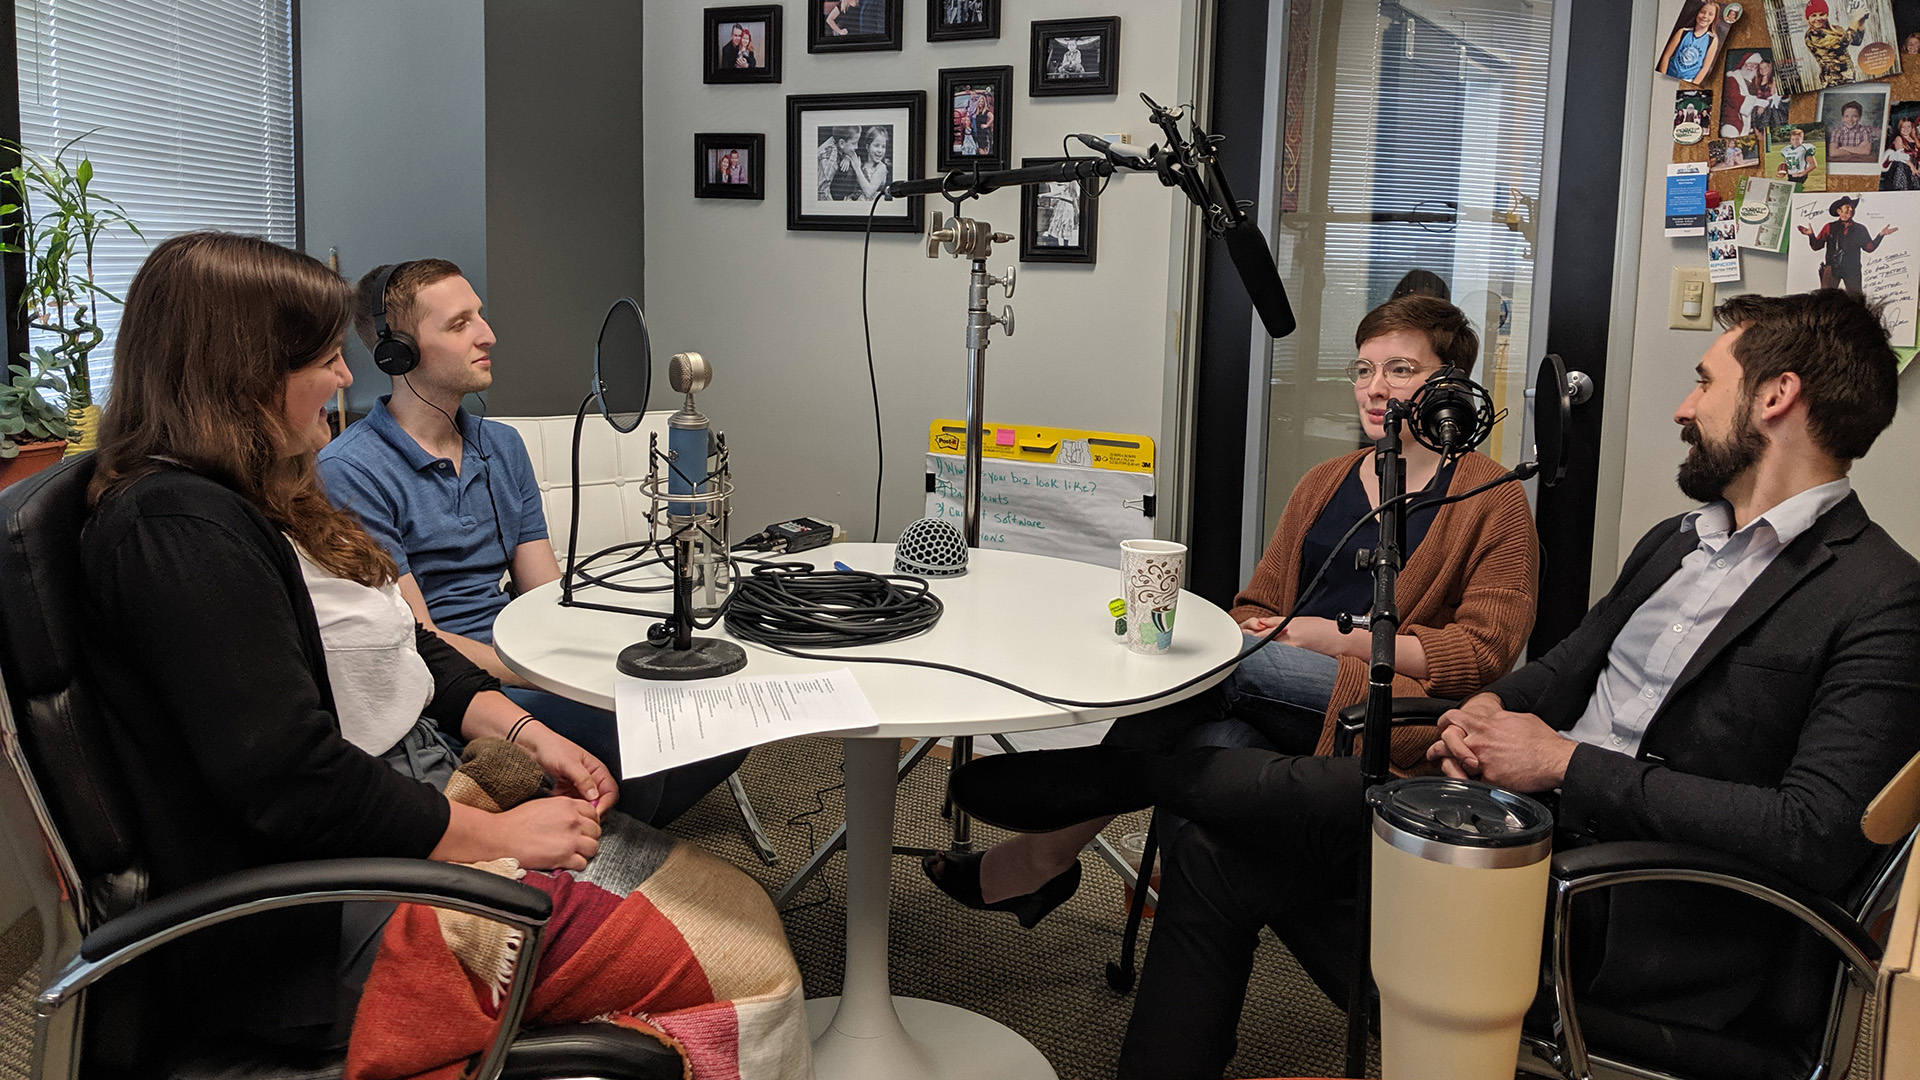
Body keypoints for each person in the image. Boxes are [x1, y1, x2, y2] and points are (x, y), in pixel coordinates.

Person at [951, 288, 1920, 1079]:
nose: (1680, 405)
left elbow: (1817, 834)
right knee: (1214, 844)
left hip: (1626, 901)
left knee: (1220, 774)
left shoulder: (1880, 595)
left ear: (1776, 396)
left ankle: (1112, 784)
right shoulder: (1679, 545)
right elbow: (1558, 669)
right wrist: (1495, 712)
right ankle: (1130, 810)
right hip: (1506, 823)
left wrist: (1562, 761)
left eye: (1704, 381)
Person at [80, 232, 807, 1067]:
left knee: (731, 894)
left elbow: (409, 649)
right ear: (243, 371)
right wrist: (491, 834)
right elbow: (293, 783)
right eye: (324, 356)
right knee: (751, 959)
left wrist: (530, 738)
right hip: (333, 913)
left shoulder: (261, 494)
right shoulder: (177, 535)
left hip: (403, 814)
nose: (347, 375)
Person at [921, 296, 1538, 926]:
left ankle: (1075, 793)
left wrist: (1330, 639)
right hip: (1269, 688)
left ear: (1448, 386)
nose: (1375, 388)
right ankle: (1049, 868)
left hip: (1387, 710)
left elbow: (1482, 653)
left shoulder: (1493, 498)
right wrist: (1268, 632)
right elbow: (1255, 607)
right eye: (1362, 370)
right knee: (1210, 753)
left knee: (1226, 665)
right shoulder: (1325, 480)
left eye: (1399, 370)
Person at [318, 260, 749, 825]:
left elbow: (543, 592)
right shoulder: (351, 470)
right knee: (641, 736)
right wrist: (548, 675)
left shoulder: (503, 446)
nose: (487, 334)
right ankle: (600, 838)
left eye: (481, 315)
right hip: (455, 689)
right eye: (459, 324)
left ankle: (613, 831)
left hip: (521, 654)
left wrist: (591, 659)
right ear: (397, 354)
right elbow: (418, 642)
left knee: (723, 721)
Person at [1799, 195, 1897, 295]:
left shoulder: (1860, 229)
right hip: (1832, 269)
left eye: (1852, 207)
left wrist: (1881, 235)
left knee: (1856, 300)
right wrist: (1810, 235)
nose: (1851, 209)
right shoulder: (1829, 227)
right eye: (1847, 207)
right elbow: (1816, 246)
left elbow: (1869, 248)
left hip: (1852, 269)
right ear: (1839, 211)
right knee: (1825, 299)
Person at [1803, 0, 1868, 88]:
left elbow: (1856, 41)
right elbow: (1843, 42)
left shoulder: (1836, 29)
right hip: (1832, 82)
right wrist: (1854, 20)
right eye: (1813, 15)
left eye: (1822, 14)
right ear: (1808, 18)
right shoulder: (1812, 35)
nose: (1818, 18)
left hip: (1848, 78)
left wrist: (1861, 22)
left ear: (1827, 15)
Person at [1657, 1, 1722, 85]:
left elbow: (1705, 67)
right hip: (1669, 74)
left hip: (1688, 80)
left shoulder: (1712, 40)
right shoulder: (1682, 32)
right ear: (1697, 13)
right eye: (1702, 12)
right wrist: (1662, 77)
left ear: (1714, 18)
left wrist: (1693, 84)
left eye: (1710, 14)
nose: (1705, 16)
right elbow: (1666, 56)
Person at [817, 125, 862, 200]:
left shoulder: (836, 141)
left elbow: (844, 148)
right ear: (841, 143)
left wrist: (847, 156)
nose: (857, 147)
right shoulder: (830, 161)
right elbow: (822, 192)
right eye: (854, 143)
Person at [849, 124, 892, 199]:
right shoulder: (863, 164)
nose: (880, 150)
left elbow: (869, 192)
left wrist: (857, 169)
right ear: (867, 147)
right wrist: (846, 158)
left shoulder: (881, 168)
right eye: (876, 145)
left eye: (883, 147)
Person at [1884, 116, 1917, 190]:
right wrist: (1912, 166)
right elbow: (1901, 155)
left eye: (1908, 126)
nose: (1906, 129)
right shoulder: (1898, 138)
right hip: (1902, 167)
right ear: (1900, 128)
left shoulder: (1915, 139)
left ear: (1912, 128)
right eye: (1903, 127)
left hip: (1913, 167)